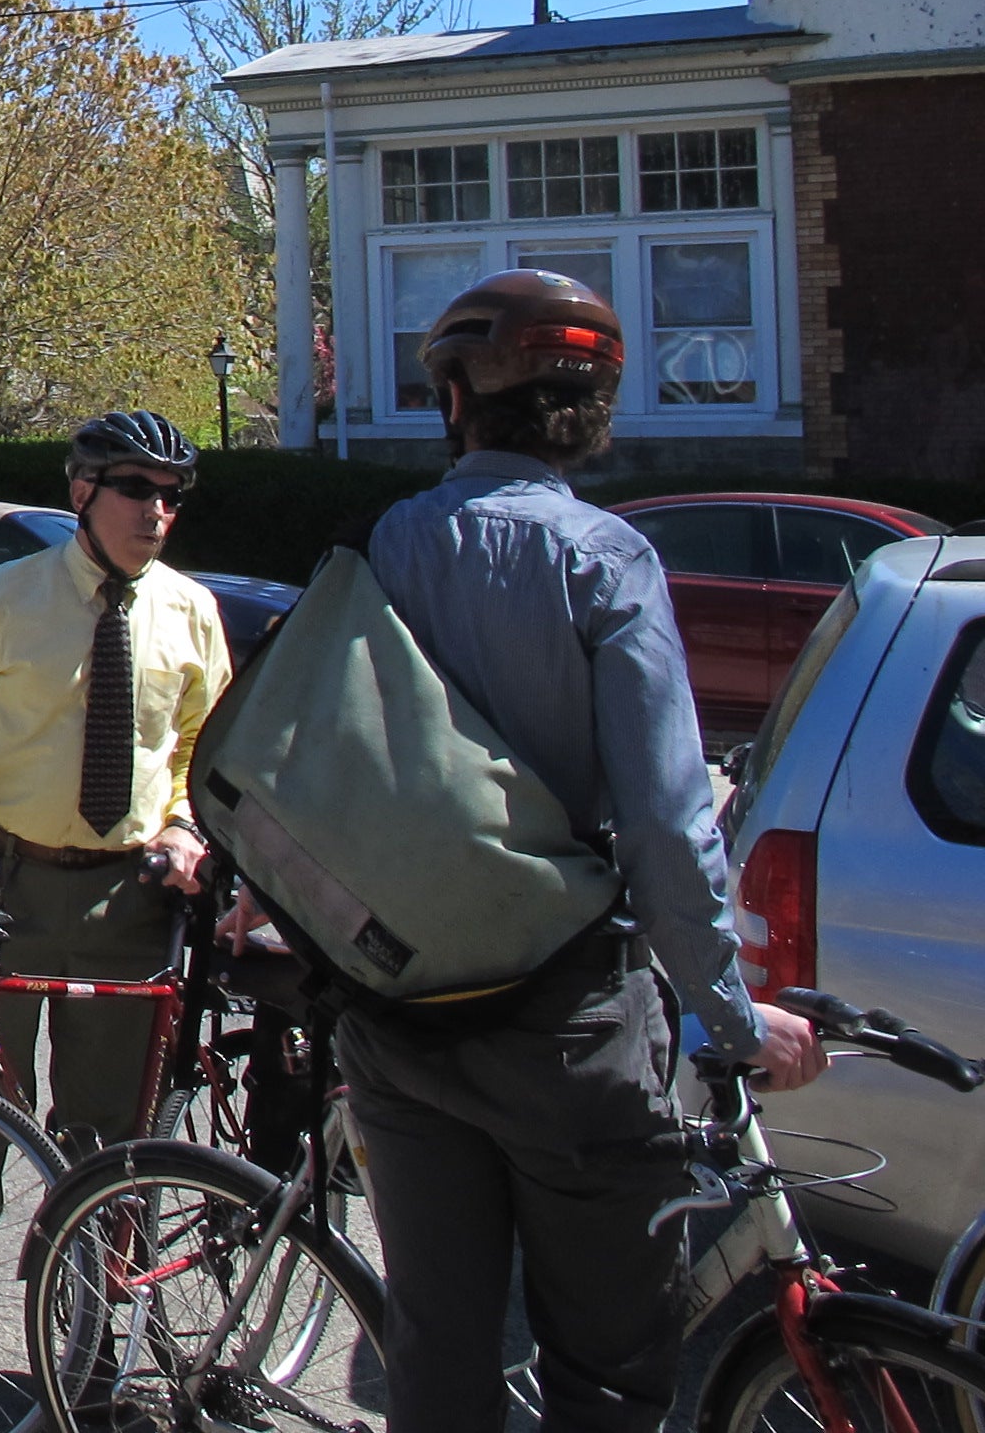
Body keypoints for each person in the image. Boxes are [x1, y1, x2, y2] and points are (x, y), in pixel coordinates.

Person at [339, 269, 820, 1433]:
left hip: (402, 1016)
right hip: (570, 1025)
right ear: (592, 415)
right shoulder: (607, 560)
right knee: (606, 1375)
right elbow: (665, 822)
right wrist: (737, 1017)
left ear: (456, 402)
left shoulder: (388, 544)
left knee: (438, 1364)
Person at [0, 409, 232, 1398]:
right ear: (82, 492)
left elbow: (198, 755)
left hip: (123, 903)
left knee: (105, 1136)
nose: (160, 511)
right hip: (0, 886)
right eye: (140, 489)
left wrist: (186, 829)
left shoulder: (189, 611)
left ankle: (91, 1327)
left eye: (175, 494)